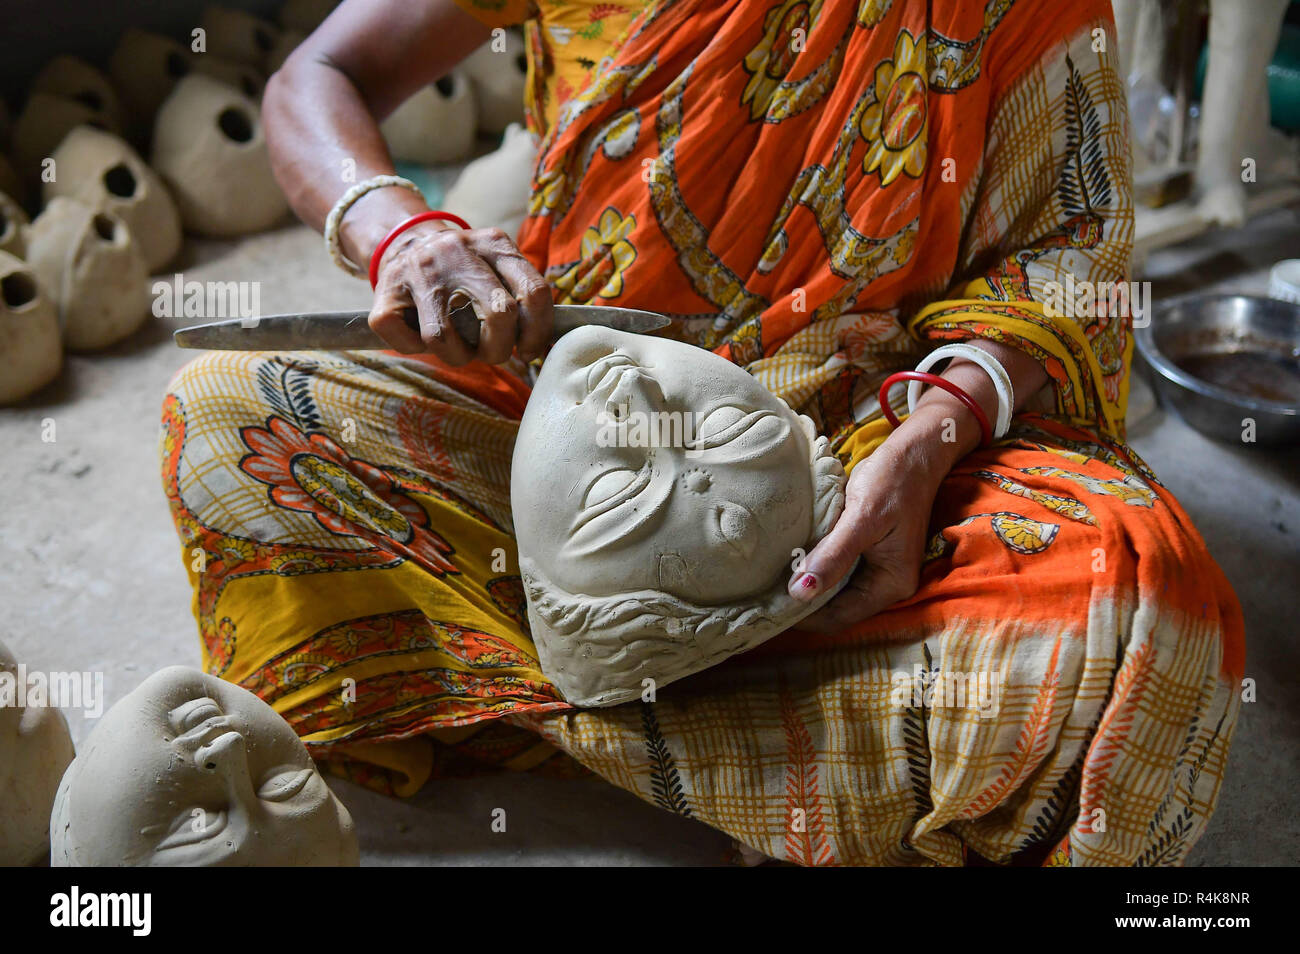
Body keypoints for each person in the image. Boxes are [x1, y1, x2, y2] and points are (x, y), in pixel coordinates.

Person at [161, 0, 1243, 865]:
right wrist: (399, 227)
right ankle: (787, 738)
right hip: (563, 391)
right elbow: (317, 79)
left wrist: (939, 425)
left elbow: (1066, 249)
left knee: (1139, 602)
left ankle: (635, 699)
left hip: (872, 442)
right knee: (230, 421)